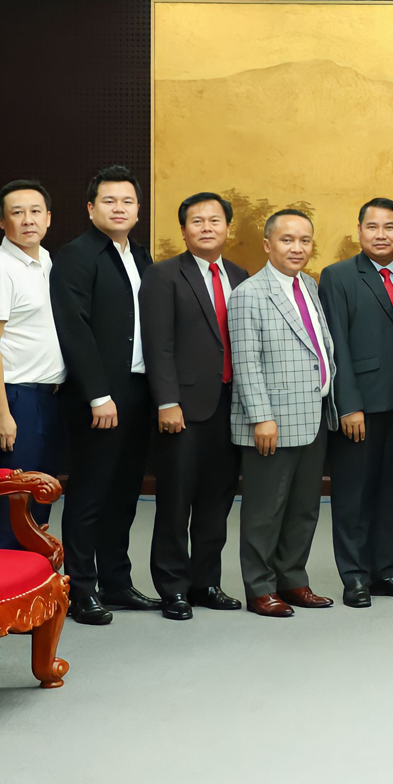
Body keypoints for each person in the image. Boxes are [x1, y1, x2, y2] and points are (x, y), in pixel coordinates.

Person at [52, 165, 160, 625]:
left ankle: (117, 581)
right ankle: (81, 588)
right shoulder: (77, 256)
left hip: (139, 391)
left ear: (138, 209)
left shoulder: (140, 255)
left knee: (125, 493)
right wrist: (98, 394)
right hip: (100, 398)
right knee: (91, 494)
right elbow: (74, 329)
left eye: (128, 202)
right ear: (91, 207)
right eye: (109, 201)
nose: (120, 209)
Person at [140, 192, 250, 620]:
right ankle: (173, 588)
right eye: (197, 221)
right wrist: (167, 401)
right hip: (182, 408)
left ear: (228, 227)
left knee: (217, 500)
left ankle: (207, 582)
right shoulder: (163, 275)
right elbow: (158, 345)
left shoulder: (239, 275)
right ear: (183, 230)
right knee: (176, 500)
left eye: (215, 220)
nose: (207, 227)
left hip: (230, 405)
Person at [318, 198, 393, 608]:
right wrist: (348, 405)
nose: (381, 235)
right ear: (359, 230)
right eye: (372, 227)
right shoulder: (339, 276)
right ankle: (355, 576)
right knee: (353, 494)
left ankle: (387, 570)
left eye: (389, 227)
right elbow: (337, 346)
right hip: (360, 405)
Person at [228, 209, 338, 617]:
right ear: (267, 244)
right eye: (288, 240)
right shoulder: (249, 294)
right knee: (264, 510)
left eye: (305, 240)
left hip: (312, 416)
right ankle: (259, 587)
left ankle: (292, 579)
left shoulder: (308, 285)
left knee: (304, 507)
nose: (297, 248)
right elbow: (246, 361)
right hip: (272, 420)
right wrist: (261, 417)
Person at [0, 180, 68, 552]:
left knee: (38, 499)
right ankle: (2, 595)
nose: (28, 220)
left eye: (35, 211)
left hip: (48, 397)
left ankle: (32, 590)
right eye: (17, 213)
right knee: (13, 503)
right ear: (3, 222)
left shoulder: (45, 260)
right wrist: (1, 412)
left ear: (47, 218)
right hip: (17, 398)